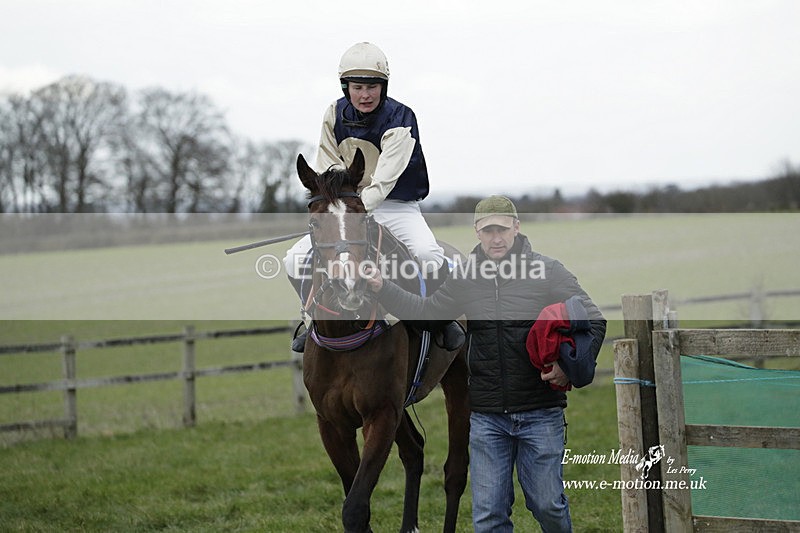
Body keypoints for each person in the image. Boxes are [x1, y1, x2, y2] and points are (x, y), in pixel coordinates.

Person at [365, 195, 607, 532]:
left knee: (547, 506)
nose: (496, 237)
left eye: (502, 229)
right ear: (477, 232)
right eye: (488, 230)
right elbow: (428, 313)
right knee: (488, 518)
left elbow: (593, 321)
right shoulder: (465, 276)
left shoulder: (549, 271)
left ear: (516, 229)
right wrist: (382, 288)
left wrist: (572, 367)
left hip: (540, 413)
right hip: (487, 419)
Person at [285, 41, 463, 351]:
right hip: (349, 207)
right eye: (357, 87)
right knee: (293, 260)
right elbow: (328, 166)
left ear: (383, 87)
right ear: (346, 87)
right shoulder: (333, 113)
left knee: (427, 254)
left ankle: (443, 320)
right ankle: (312, 316)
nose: (365, 94)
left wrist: (353, 209)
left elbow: (384, 180)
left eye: (372, 87)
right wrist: (336, 209)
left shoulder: (401, 117)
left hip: (395, 204)